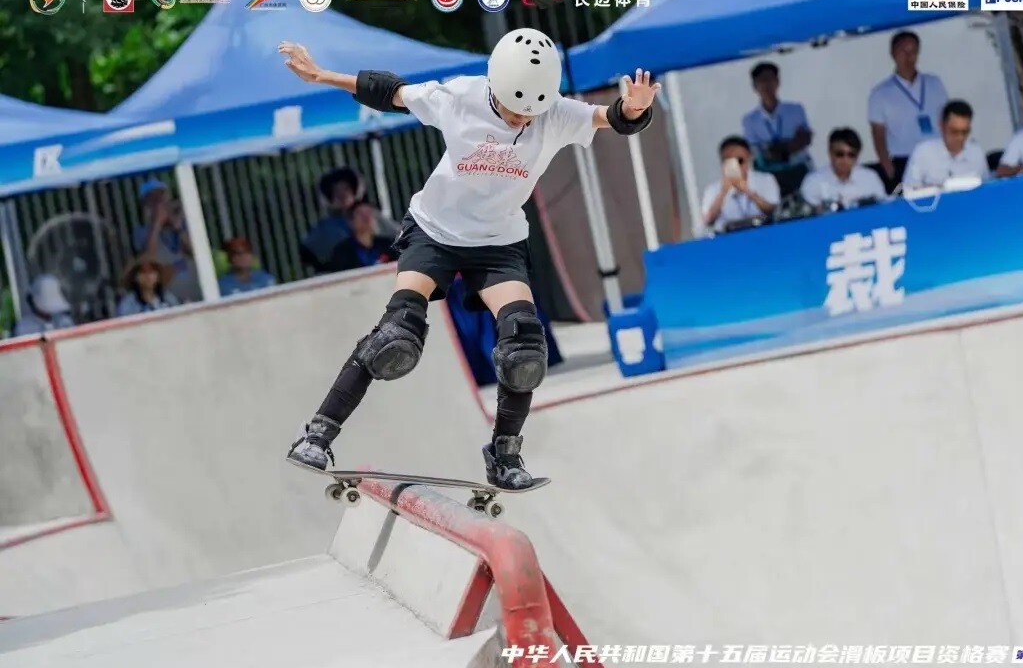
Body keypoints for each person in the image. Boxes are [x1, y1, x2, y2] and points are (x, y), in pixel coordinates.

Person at [277, 28, 659, 488]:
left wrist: (634, 109)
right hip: (434, 233)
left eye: (531, 113)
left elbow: (611, 117)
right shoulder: (459, 96)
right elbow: (389, 92)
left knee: (524, 346)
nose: (523, 120)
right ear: (495, 88)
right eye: (516, 110)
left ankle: (504, 457)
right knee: (395, 337)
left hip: (498, 243)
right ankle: (317, 434)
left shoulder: (553, 113)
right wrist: (321, 75)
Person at [867, 31, 949, 190]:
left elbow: (947, 119)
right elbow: (878, 135)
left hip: (937, 155)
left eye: (913, 52)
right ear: (893, 54)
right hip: (904, 160)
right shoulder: (881, 93)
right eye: (903, 52)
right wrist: (889, 168)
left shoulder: (934, 83)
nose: (909, 57)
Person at [901, 100, 990, 189]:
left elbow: (987, 187)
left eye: (965, 132)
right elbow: (909, 190)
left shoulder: (976, 152)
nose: (960, 137)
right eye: (954, 131)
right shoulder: (923, 152)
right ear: (941, 126)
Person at [700, 136, 781, 233]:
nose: (735, 165)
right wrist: (723, 192)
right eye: (729, 161)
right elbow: (708, 220)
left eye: (740, 161)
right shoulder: (712, 189)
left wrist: (748, 191)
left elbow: (772, 211)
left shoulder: (766, 180)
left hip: (764, 233)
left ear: (749, 159)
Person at [799, 128, 887, 212]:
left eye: (851, 155)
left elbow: (883, 207)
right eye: (840, 154)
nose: (845, 159)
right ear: (830, 152)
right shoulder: (813, 181)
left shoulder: (870, 178)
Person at [326, 202, 396, 273]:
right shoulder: (342, 252)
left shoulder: (389, 244)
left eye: (369, 213)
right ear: (351, 221)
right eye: (360, 214)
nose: (366, 217)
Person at [116, 256, 181, 317]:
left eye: (151, 271)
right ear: (135, 278)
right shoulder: (128, 303)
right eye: (143, 272)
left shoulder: (168, 298)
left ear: (157, 276)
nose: (148, 276)